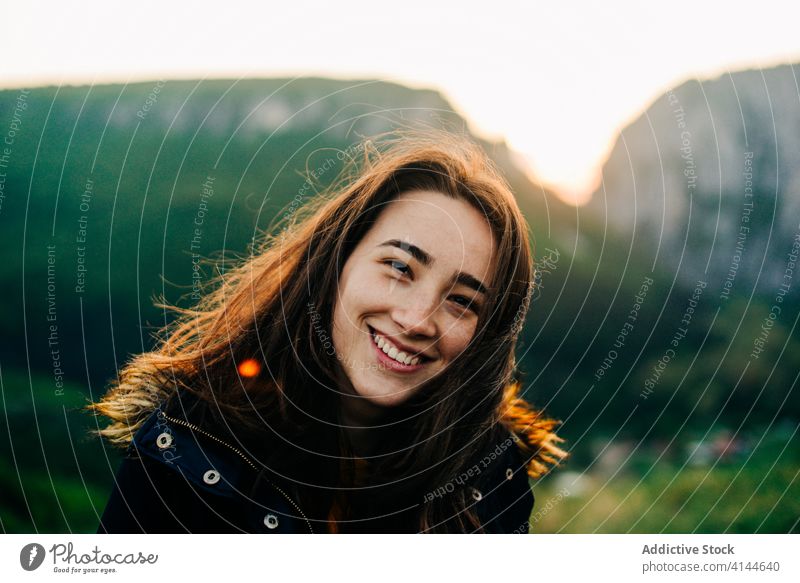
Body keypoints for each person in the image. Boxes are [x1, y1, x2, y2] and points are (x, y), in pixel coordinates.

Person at [90, 129, 567, 533]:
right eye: (399, 267)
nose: (418, 320)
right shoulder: (192, 445)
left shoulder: (491, 480)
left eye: (462, 301)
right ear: (336, 261)